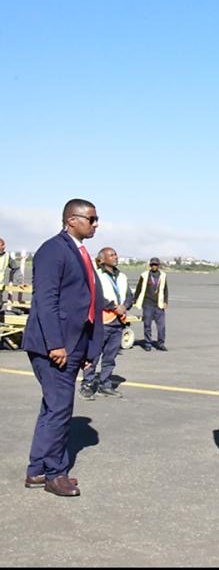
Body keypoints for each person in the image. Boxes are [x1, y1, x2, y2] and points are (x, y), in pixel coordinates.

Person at [21, 199, 104, 497]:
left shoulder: (80, 252)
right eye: (91, 219)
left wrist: (88, 349)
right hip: (54, 346)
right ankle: (55, 473)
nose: (96, 224)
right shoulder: (53, 250)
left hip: (73, 344)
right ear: (72, 220)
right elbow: (46, 300)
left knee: (52, 408)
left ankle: (37, 470)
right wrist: (55, 344)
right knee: (59, 409)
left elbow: (87, 300)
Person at [80, 247, 134, 400]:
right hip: (102, 321)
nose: (115, 257)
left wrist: (125, 306)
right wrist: (113, 307)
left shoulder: (122, 277)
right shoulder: (96, 275)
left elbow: (129, 296)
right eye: (111, 255)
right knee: (93, 355)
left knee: (110, 357)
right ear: (102, 259)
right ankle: (87, 385)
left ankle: (105, 384)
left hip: (118, 322)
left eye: (115, 254)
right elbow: (94, 296)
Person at [133, 257, 168, 351]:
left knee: (161, 326)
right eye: (152, 264)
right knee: (147, 324)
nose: (154, 266)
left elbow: (165, 289)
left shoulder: (163, 275)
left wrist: (165, 301)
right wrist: (134, 299)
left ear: (158, 266)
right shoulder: (144, 275)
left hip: (159, 304)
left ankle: (161, 343)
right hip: (147, 304)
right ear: (150, 265)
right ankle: (148, 343)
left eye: (155, 264)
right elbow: (139, 288)